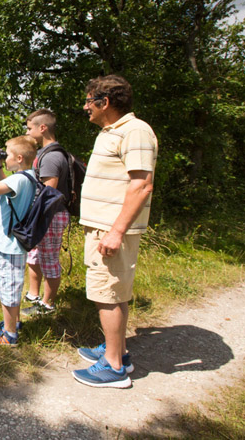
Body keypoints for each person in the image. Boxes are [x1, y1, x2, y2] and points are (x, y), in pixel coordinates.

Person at [72, 75, 157, 388]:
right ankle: (116, 349)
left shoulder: (134, 131)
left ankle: (114, 367)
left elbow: (141, 184)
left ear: (104, 102)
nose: (86, 107)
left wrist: (116, 231)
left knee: (106, 294)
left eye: (89, 100)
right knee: (114, 291)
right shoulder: (114, 132)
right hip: (103, 228)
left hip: (110, 231)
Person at [0, 135, 38, 346]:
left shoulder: (19, 179)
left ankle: (10, 335)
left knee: (8, 289)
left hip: (9, 245)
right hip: (15, 244)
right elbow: (4, 183)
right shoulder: (27, 177)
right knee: (12, 286)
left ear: (20, 158)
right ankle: (12, 323)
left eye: (7, 155)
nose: (4, 158)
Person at [22, 109, 71, 315]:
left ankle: (48, 304)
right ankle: (34, 294)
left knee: (49, 258)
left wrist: (34, 218)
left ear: (42, 128)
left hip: (50, 215)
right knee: (34, 255)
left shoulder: (51, 157)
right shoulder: (42, 153)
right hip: (42, 215)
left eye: (29, 128)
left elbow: (48, 194)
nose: (27, 131)